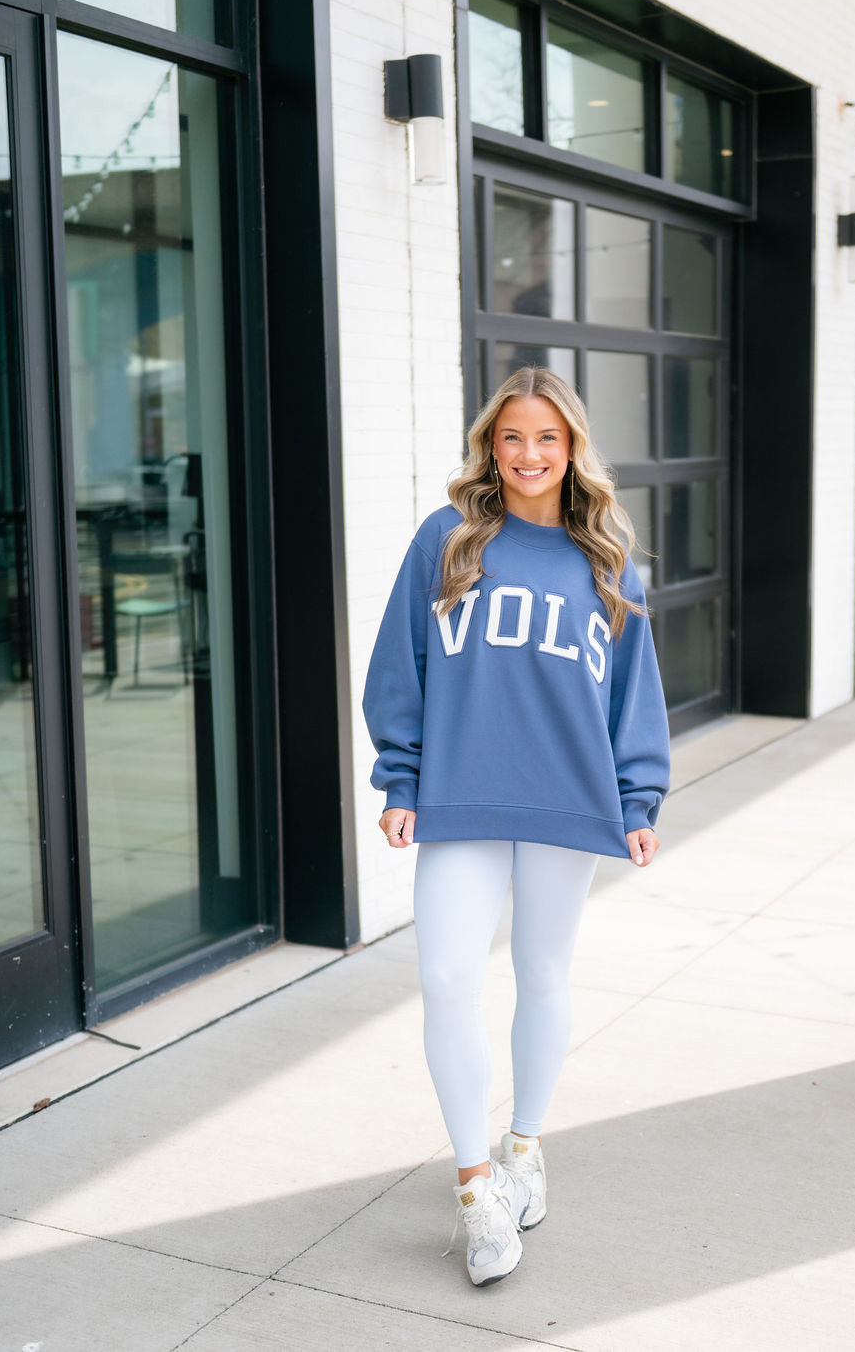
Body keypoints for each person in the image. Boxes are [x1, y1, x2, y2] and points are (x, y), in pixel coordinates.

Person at [362, 367, 670, 1287]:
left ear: (572, 447)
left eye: (547, 438)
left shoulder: (610, 560)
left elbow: (631, 695)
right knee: (448, 976)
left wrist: (639, 797)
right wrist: (400, 775)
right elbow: (399, 662)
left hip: (567, 798)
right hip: (461, 794)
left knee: (542, 972)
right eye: (511, 438)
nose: (529, 455)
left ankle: (524, 1143)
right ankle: (474, 1185)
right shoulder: (448, 539)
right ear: (489, 447)